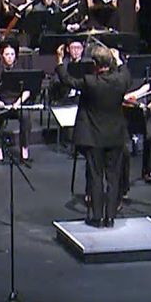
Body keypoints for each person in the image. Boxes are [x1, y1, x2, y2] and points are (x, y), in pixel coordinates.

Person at [55, 44, 131, 227]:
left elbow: (67, 80)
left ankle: (97, 216)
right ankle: (110, 217)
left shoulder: (90, 82)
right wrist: (119, 60)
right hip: (115, 136)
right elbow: (126, 73)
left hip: (94, 137)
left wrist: (59, 60)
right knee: (113, 177)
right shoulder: (121, 80)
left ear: (95, 64)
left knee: (96, 176)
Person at [0, 41, 33, 163]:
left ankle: (24, 149)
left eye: (12, 54)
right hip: (1, 103)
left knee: (26, 116)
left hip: (17, 103)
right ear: (2, 56)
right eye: (7, 54)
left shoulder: (20, 69)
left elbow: (27, 91)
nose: (10, 57)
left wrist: (18, 103)